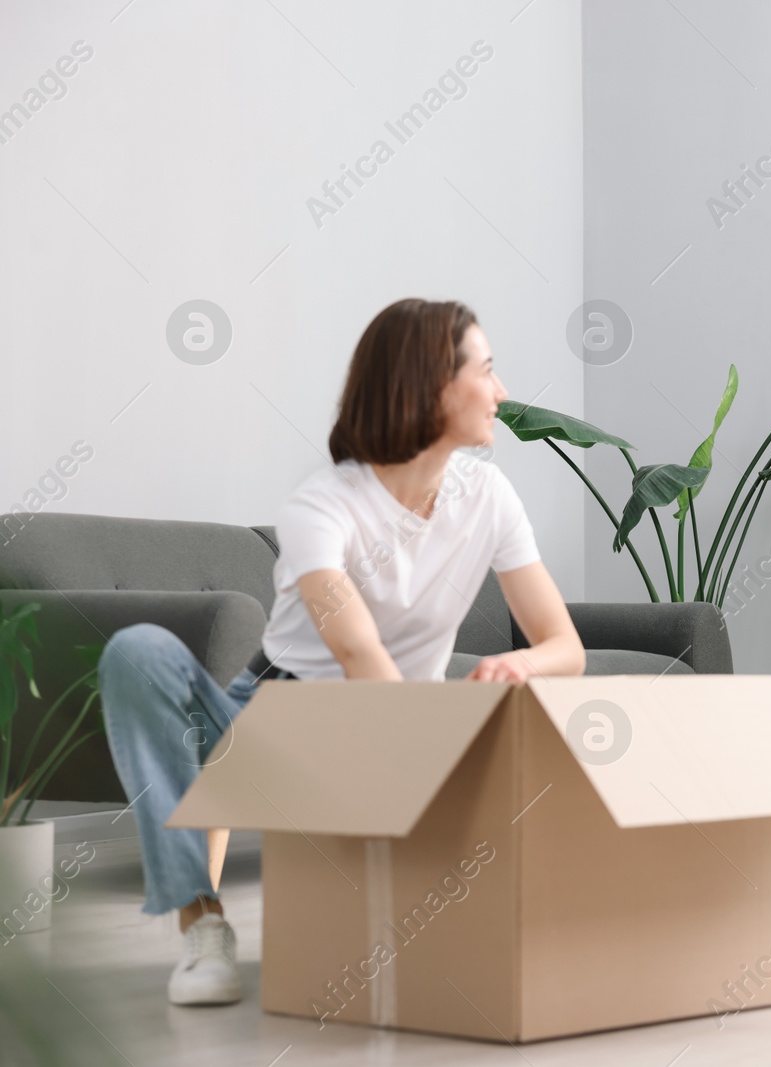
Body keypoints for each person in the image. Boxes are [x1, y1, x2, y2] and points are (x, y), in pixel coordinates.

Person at [98, 298, 585, 1005]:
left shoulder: (490, 497)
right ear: (429, 387)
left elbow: (562, 644)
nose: (502, 391)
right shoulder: (319, 508)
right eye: (486, 369)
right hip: (275, 717)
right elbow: (357, 651)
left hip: (396, 720)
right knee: (135, 651)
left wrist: (520, 664)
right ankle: (202, 923)